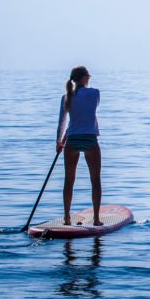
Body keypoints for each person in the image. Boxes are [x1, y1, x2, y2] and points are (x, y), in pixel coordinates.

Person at [56, 66, 102, 226]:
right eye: (88, 76)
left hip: (72, 139)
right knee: (95, 180)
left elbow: (62, 122)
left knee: (69, 180)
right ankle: (96, 219)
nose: (89, 78)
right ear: (83, 78)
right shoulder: (95, 93)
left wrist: (59, 141)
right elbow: (91, 110)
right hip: (89, 139)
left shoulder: (66, 97)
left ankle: (67, 218)